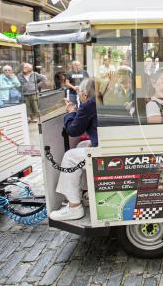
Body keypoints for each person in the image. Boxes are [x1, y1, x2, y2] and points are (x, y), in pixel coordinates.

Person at [49, 78, 98, 221]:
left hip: (105, 153)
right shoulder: (103, 100)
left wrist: (71, 112)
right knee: (82, 146)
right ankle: (86, 193)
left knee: (70, 157)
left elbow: (73, 130)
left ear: (84, 94)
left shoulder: (89, 104)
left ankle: (74, 206)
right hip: (112, 146)